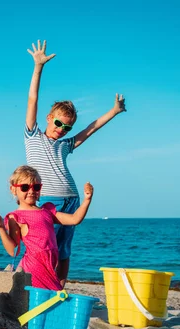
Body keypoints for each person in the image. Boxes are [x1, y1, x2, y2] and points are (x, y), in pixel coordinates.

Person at [24, 39, 126, 287]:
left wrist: (114, 111)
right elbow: (32, 100)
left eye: (67, 127)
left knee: (64, 248)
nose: (61, 129)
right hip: (50, 201)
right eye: (58, 123)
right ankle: (43, 284)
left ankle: (60, 287)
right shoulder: (32, 135)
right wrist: (38, 68)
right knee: (47, 246)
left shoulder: (65, 144)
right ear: (49, 119)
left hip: (72, 198)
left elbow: (91, 129)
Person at [0, 165, 93, 290]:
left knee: (51, 299)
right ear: (14, 190)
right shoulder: (16, 217)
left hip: (49, 267)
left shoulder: (47, 211)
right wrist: (1, 228)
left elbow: (74, 219)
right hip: (33, 268)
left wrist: (87, 199)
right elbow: (13, 250)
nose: (31, 191)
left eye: (36, 187)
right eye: (24, 187)